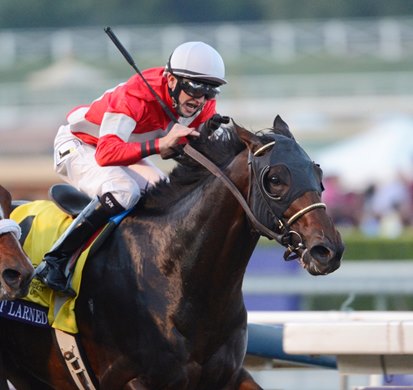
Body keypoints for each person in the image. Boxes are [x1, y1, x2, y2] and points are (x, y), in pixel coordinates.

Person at [35, 41, 227, 295]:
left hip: (121, 150)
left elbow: (186, 152)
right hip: (80, 145)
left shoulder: (201, 105)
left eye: (209, 91)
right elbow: (106, 154)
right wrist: (159, 146)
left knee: (169, 197)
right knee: (123, 192)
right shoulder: (135, 96)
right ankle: (55, 262)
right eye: (194, 88)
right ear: (171, 80)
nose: (200, 99)